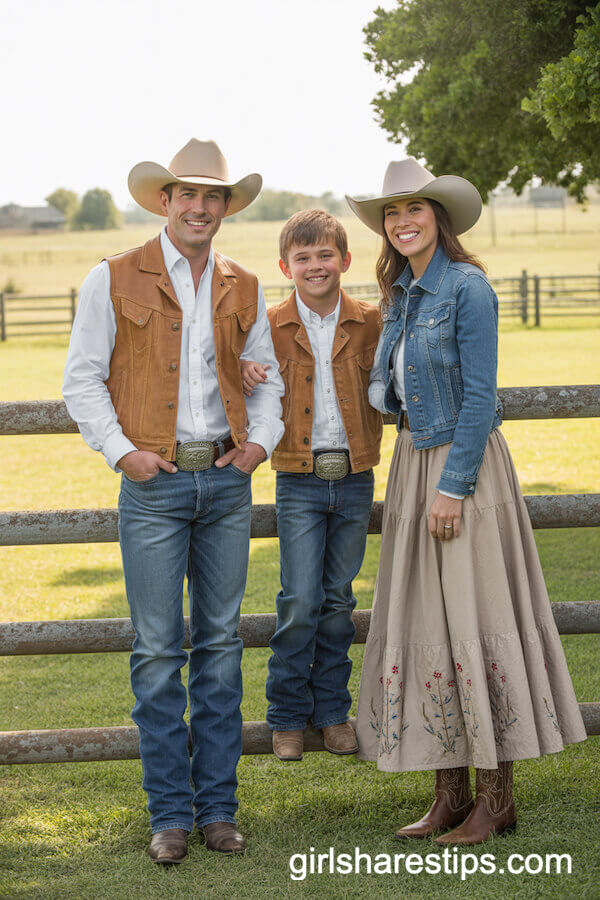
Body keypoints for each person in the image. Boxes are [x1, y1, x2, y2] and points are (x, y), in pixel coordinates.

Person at [345, 158, 587, 845]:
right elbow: (384, 391)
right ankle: (448, 795)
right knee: (429, 623)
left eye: (414, 209)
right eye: (392, 214)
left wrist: (453, 485)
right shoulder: (403, 296)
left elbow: (482, 395)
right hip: (412, 463)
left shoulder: (468, 289)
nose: (403, 221)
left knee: (476, 618)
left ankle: (496, 798)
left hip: (464, 471)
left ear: (439, 218)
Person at [63, 139, 284, 865]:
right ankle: (170, 816)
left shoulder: (244, 284)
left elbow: (269, 379)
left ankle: (218, 810)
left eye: (212, 196)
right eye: (186, 195)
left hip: (225, 481)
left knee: (220, 648)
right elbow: (82, 380)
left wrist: (261, 443)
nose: (199, 207)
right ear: (165, 201)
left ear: (225, 206)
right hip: (153, 487)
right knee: (159, 652)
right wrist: (122, 451)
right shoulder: (113, 276)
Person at [241, 210, 382, 761]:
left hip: (354, 476)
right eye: (303, 258)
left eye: (326, 255)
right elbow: (226, 369)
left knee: (338, 600)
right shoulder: (268, 325)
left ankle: (331, 711)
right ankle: (285, 715)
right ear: (285, 266)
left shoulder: (372, 320)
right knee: (299, 599)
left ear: (345, 260)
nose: (315, 266)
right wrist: (242, 367)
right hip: (299, 478)